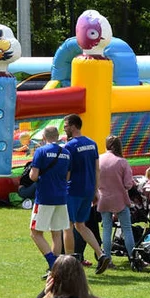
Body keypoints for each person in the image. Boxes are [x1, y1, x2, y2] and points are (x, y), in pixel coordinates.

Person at [61, 114, 107, 267]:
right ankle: (101, 254)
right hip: (88, 190)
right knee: (81, 225)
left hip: (73, 190)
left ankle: (68, 262)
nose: (64, 128)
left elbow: (67, 172)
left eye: (66, 125)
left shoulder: (69, 146)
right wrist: (95, 190)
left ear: (73, 126)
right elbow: (97, 169)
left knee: (67, 225)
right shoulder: (92, 144)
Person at [96, 135, 144, 272]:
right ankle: (133, 258)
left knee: (106, 229)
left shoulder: (99, 159)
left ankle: (107, 259)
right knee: (127, 229)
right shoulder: (122, 162)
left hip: (103, 198)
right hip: (120, 200)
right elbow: (129, 185)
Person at [29, 125, 71, 274]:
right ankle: (57, 267)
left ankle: (52, 262)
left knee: (35, 232)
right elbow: (67, 176)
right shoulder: (66, 152)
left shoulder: (41, 151)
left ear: (44, 137)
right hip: (61, 197)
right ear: (58, 136)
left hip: (45, 196)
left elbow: (33, 176)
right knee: (56, 232)